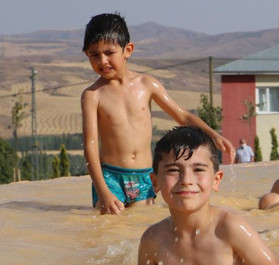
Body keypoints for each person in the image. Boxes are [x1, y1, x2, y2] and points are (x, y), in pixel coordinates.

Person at [81, 12, 234, 215]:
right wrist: (102, 191)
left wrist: (213, 134)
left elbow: (183, 116)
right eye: (94, 55)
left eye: (109, 52)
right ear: (86, 55)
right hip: (110, 177)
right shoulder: (93, 95)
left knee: (139, 224)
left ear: (128, 50)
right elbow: (90, 146)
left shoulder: (147, 85)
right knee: (110, 226)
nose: (102, 61)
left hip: (145, 176)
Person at [137, 126, 279, 265]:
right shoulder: (153, 239)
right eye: (173, 170)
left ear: (216, 180)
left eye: (198, 170)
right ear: (155, 182)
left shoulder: (231, 229)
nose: (186, 180)